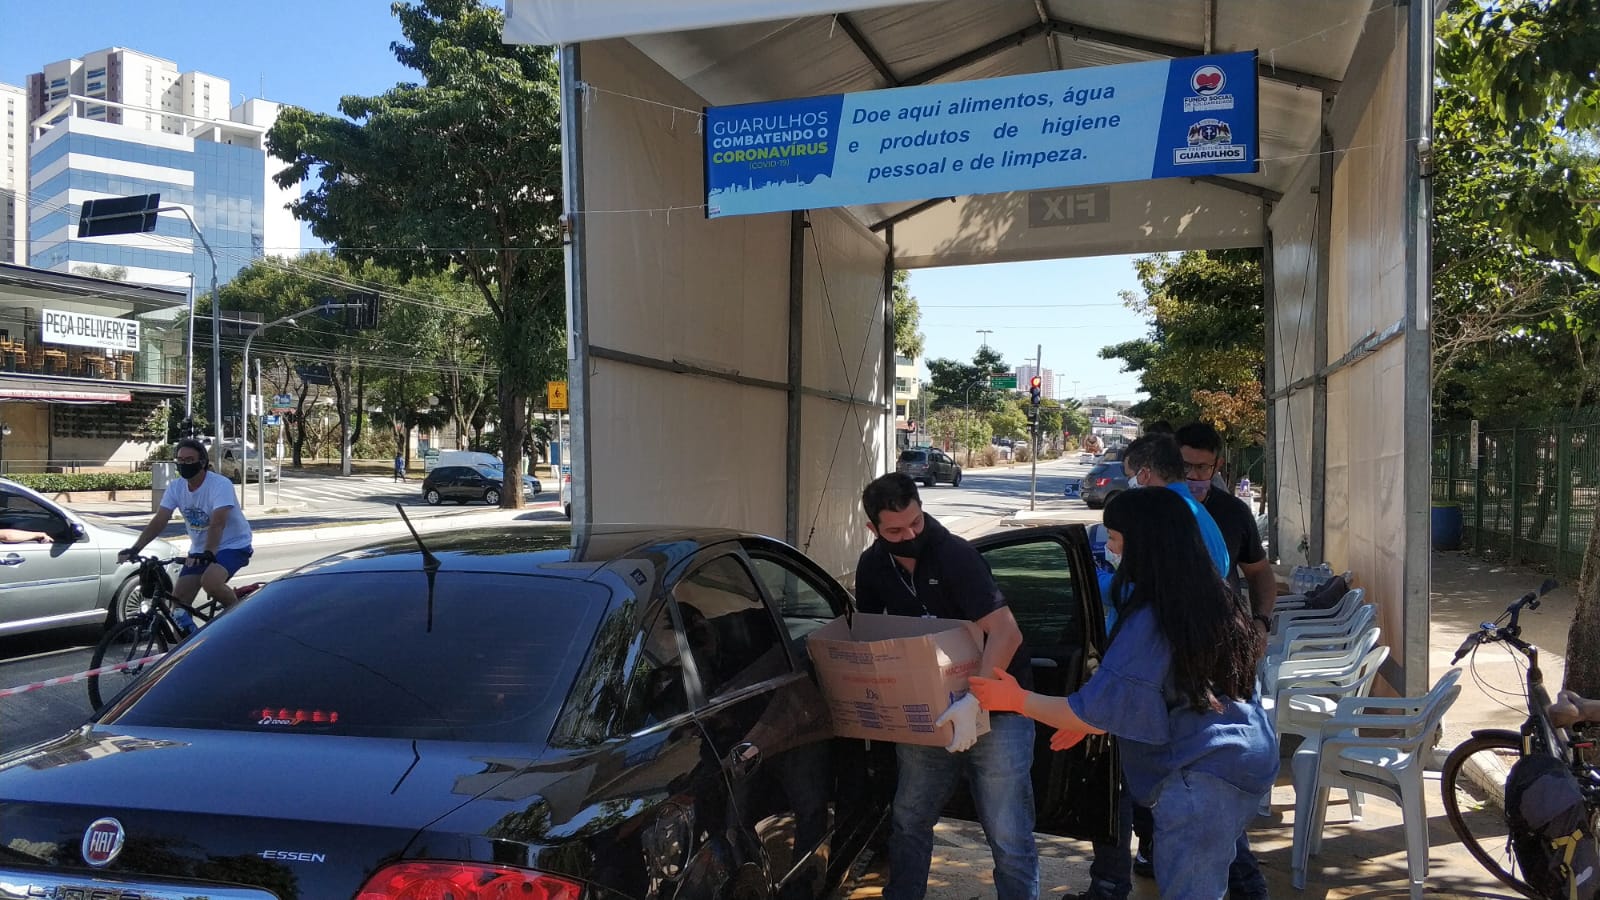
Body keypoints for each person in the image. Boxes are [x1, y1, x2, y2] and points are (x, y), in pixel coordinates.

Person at [969, 487, 1278, 898]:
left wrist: (1014, 700)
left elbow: (1097, 707)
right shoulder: (1211, 595)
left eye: (1114, 539)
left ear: (1144, 543)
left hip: (1201, 777)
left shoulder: (1152, 617)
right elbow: (1158, 693)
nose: (1110, 549)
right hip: (1245, 759)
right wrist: (1094, 718)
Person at [854, 472, 1037, 900]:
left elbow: (1006, 633)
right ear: (873, 529)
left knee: (1009, 833)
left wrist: (976, 701)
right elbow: (872, 639)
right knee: (909, 818)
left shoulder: (955, 556)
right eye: (895, 530)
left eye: (915, 522)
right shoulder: (873, 566)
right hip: (928, 712)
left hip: (999, 708)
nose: (909, 534)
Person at [120, 438, 254, 612]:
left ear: (203, 462)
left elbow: (217, 523)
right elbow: (160, 520)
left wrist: (209, 553)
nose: (184, 464)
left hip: (233, 545)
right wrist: (135, 549)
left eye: (189, 460)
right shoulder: (176, 487)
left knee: (210, 583)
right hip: (200, 550)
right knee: (178, 604)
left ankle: (239, 619)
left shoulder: (220, 484)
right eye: (180, 460)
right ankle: (187, 639)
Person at [1176, 423, 1279, 646]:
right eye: (1185, 466)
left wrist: (1261, 622)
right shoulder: (1154, 508)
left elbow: (1259, 571)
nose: (1192, 475)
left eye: (1202, 467)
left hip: (1222, 637)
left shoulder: (1234, 512)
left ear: (1217, 466)